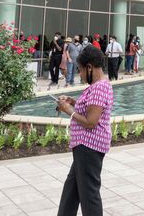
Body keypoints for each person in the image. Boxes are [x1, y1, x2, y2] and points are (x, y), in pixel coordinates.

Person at [55, 46, 114, 216]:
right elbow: (89, 108)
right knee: (71, 192)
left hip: (89, 148)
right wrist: (72, 102)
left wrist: (68, 110)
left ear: (89, 67)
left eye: (80, 70)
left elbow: (91, 122)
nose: (79, 74)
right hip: (85, 147)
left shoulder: (99, 87)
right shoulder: (97, 86)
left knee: (89, 195)